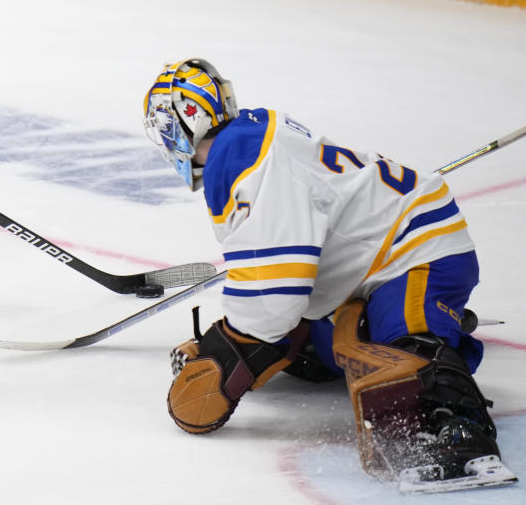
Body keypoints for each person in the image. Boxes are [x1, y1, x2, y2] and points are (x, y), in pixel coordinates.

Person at [143, 59, 515, 491]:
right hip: (358, 264)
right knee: (315, 356)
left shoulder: (243, 158)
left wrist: (230, 350)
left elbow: (274, 293)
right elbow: (276, 278)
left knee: (410, 350)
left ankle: (462, 435)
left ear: (180, 124)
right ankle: (430, 319)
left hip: (413, 250)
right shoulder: (248, 139)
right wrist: (243, 339)